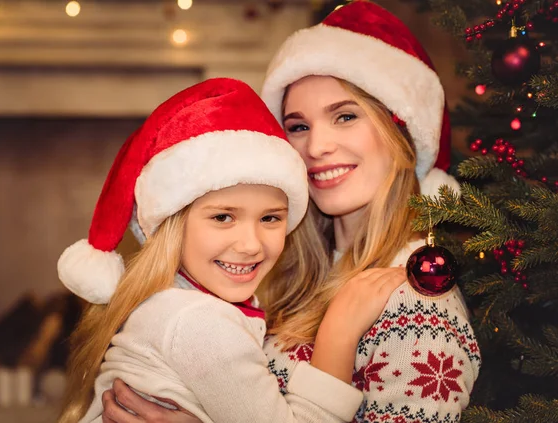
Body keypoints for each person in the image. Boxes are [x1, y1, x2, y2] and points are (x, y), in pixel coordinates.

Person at [101, 2, 481, 423]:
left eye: (345, 116)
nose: (316, 147)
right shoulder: (276, 277)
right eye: (298, 126)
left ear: (402, 134)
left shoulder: (415, 298)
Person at [57, 78, 406, 423]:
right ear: (172, 227)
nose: (251, 244)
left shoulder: (177, 303)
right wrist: (339, 332)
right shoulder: (200, 322)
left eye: (270, 218)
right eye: (223, 217)